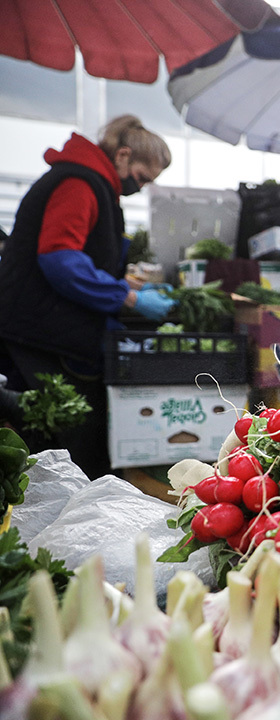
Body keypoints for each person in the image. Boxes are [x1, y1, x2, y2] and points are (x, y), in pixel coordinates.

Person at [0, 115, 176, 479]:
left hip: (48, 334)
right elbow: (61, 259)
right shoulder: (79, 182)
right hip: (43, 337)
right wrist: (127, 299)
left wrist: (132, 288)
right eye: (142, 178)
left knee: (61, 446)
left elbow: (84, 258)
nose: (139, 188)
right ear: (124, 156)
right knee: (62, 449)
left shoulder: (92, 183)